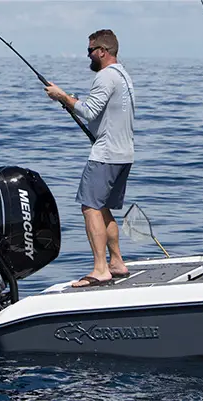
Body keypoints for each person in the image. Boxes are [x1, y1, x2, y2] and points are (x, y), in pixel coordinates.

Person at [44, 29, 135, 287]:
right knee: (102, 206)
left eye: (90, 51)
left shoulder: (106, 76)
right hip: (124, 152)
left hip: (105, 154)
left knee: (90, 207)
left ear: (102, 52)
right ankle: (116, 261)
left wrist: (62, 96)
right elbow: (105, 114)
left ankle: (100, 269)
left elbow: (89, 110)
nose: (88, 56)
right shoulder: (123, 75)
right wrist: (73, 101)